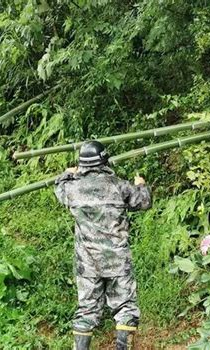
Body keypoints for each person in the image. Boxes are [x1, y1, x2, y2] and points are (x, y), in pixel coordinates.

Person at [54, 141, 151, 350]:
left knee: (86, 310)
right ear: (104, 161)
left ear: (82, 164)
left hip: (87, 262)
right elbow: (143, 202)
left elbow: (59, 189)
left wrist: (67, 173)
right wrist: (141, 184)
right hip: (117, 259)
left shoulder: (72, 188)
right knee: (125, 307)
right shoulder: (119, 185)